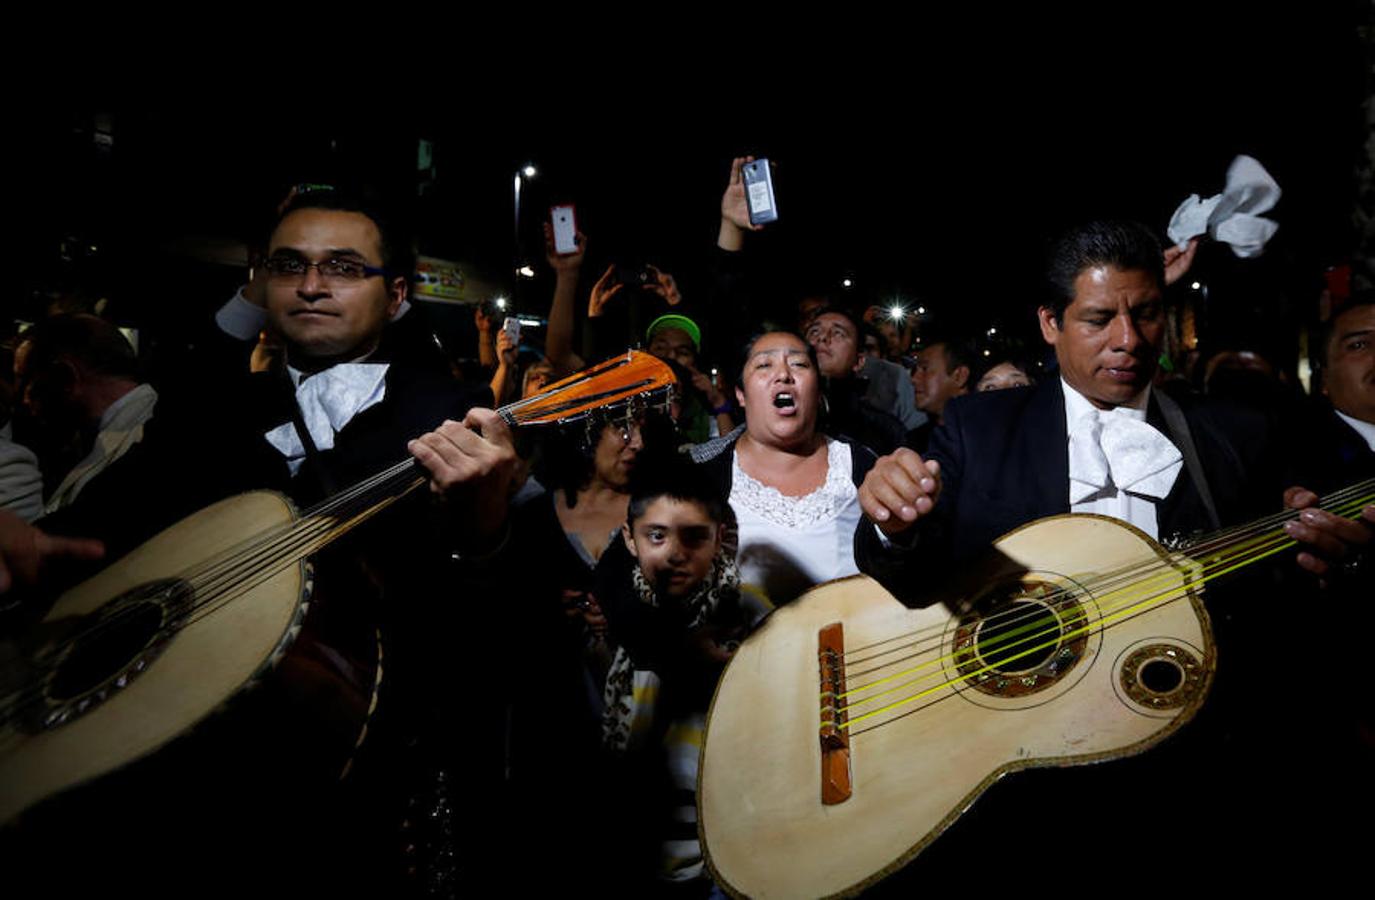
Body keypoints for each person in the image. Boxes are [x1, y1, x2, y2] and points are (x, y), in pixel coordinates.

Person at [854, 219, 1372, 886]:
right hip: (1017, 772)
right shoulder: (976, 429)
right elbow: (912, 582)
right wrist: (894, 524)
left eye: (1146, 313)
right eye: (1098, 319)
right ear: (1049, 323)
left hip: (1182, 771)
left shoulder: (1235, 436)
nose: (1128, 341)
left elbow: (1275, 607)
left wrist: (1325, 560)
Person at [595, 461, 757, 888]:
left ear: (719, 538)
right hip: (644, 850)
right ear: (630, 540)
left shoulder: (745, 618)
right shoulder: (622, 619)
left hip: (731, 851)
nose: (674, 553)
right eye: (656, 536)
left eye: (694, 536)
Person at [691, 332, 877, 606]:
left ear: (817, 391)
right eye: (764, 365)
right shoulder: (701, 475)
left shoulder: (861, 467)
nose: (784, 375)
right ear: (741, 394)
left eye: (799, 364)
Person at [803, 308, 908, 454]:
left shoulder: (884, 432)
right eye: (814, 331)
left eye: (838, 333)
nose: (822, 338)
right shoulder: (774, 413)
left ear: (858, 361)